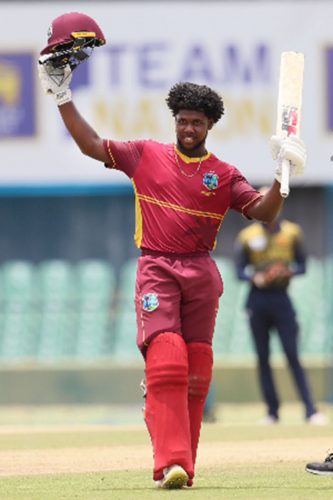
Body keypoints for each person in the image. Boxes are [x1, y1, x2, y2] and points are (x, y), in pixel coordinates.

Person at [37, 13, 306, 489]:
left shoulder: (223, 174)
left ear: (209, 126)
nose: (187, 128)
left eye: (196, 123)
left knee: (198, 372)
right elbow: (91, 145)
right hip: (157, 267)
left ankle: (185, 466)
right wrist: (62, 97)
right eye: (181, 121)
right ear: (174, 120)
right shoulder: (146, 155)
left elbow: (263, 212)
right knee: (168, 360)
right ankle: (167, 463)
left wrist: (283, 177)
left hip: (201, 274)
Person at [234, 193, 327, 425]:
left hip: (282, 299)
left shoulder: (292, 233)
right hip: (257, 300)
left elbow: (303, 265)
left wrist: (288, 272)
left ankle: (310, 410)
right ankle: (272, 412)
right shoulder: (247, 236)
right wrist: (256, 278)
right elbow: (239, 272)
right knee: (263, 358)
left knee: (292, 355)